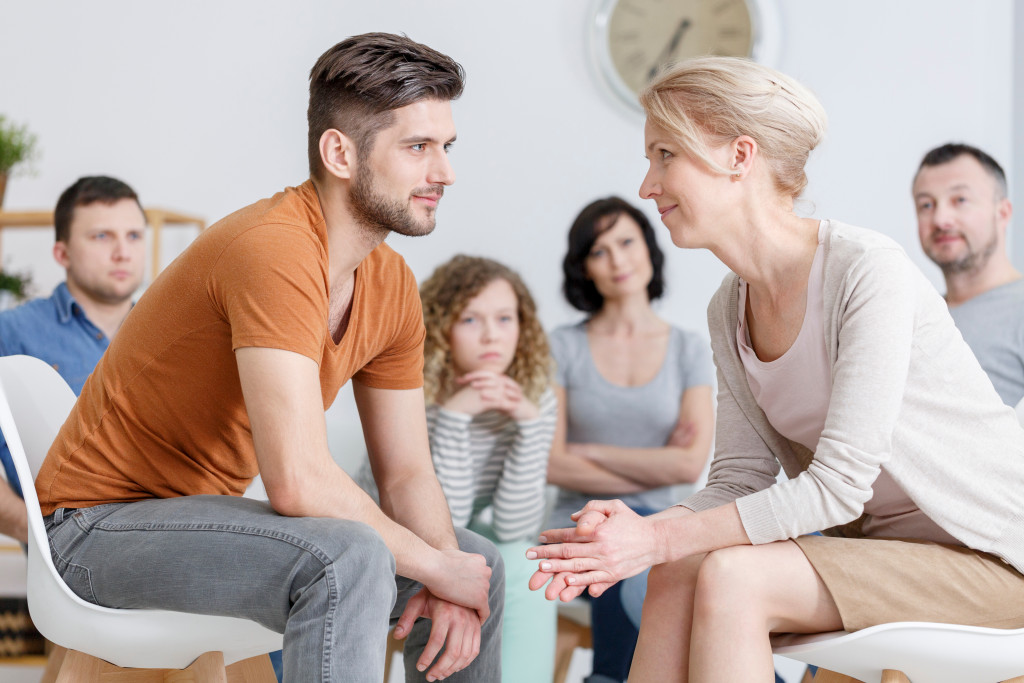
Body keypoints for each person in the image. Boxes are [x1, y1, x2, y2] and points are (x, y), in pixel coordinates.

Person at [526, 56, 1024, 683]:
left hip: (994, 561)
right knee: (681, 566)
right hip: (875, 559)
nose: (647, 184)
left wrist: (653, 538)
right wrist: (643, 535)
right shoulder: (728, 307)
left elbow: (840, 484)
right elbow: (736, 479)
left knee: (733, 575)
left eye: (665, 155)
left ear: (740, 156)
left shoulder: (868, 271)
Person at [35, 33, 504, 683]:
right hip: (91, 532)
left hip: (199, 521)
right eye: (418, 147)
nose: (445, 172)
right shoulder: (274, 249)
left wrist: (449, 571)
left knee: (481, 566)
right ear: (340, 152)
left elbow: (407, 475)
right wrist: (433, 563)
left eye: (446, 148)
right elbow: (299, 481)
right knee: (348, 558)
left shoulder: (391, 284)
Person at [361, 254, 558, 680]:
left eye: (506, 319)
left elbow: (513, 527)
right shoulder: (413, 393)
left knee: (527, 563)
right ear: (443, 327)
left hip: (468, 540)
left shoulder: (535, 400)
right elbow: (446, 524)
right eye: (471, 320)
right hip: (395, 541)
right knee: (480, 560)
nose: (492, 335)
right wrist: (453, 418)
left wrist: (528, 425)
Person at [546, 197, 714, 683]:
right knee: (618, 550)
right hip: (577, 525)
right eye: (599, 251)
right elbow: (551, 463)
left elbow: (688, 467)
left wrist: (588, 450)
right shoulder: (564, 346)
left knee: (661, 565)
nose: (617, 260)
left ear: (648, 248)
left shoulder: (688, 349)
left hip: (659, 529)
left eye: (625, 242)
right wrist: (656, 459)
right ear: (584, 269)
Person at [0, 175, 146, 543]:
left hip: (171, 538)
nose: (123, 253)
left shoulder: (175, 331)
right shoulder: (13, 333)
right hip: (73, 554)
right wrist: (37, 534)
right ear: (62, 253)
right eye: (102, 236)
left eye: (134, 236)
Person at [913, 143, 1024, 406]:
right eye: (926, 205)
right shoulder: (914, 316)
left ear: (1003, 213)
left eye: (960, 200)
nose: (941, 219)